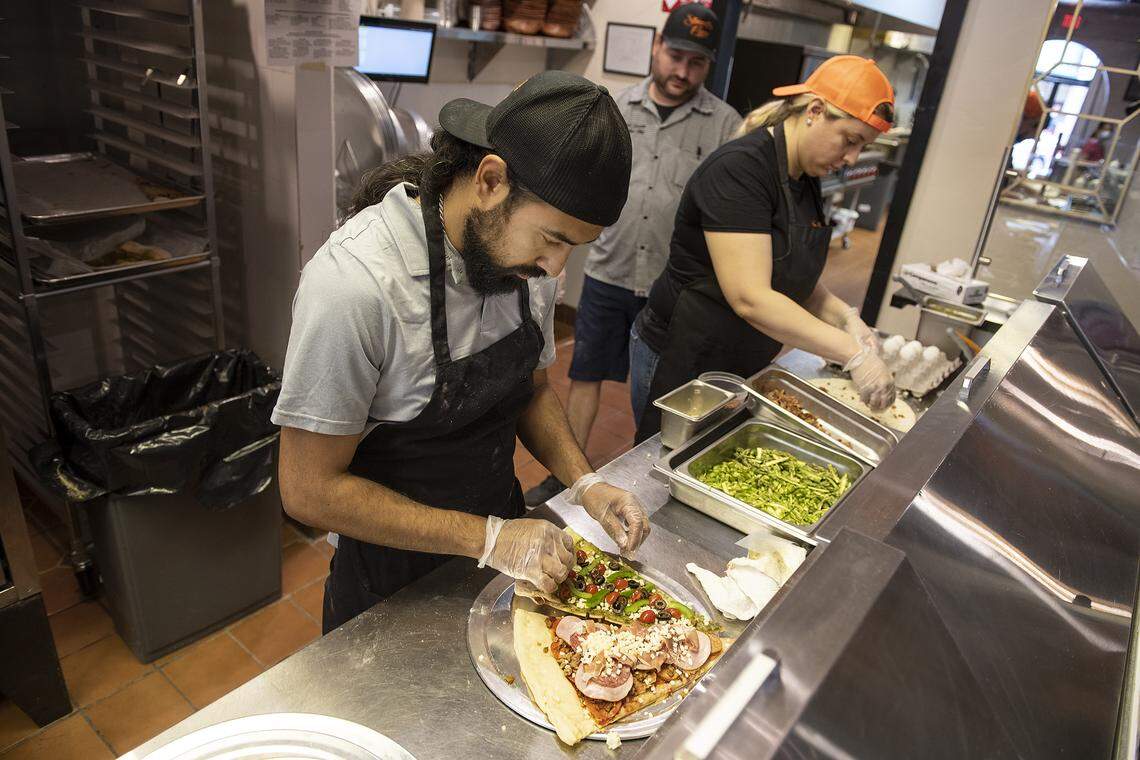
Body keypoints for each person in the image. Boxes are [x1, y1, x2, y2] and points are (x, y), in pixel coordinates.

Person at [272, 72, 650, 633]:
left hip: (502, 557)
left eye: (575, 247)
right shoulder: (356, 286)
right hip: (389, 583)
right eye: (552, 239)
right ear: (491, 181)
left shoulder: (529, 266)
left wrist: (583, 484)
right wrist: (488, 538)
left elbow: (532, 389)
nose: (555, 269)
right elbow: (308, 489)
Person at [524, 3, 742, 505]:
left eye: (697, 63)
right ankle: (568, 480)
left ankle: (655, 487)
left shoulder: (725, 125)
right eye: (676, 56)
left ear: (709, 67)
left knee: (661, 394)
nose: (682, 72)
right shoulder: (614, 109)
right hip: (609, 272)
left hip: (673, 288)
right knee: (585, 375)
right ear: (656, 47)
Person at [629, 56, 898, 442]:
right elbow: (750, 297)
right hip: (684, 352)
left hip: (738, 353)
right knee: (664, 457)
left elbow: (792, 275)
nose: (851, 159)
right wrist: (850, 353)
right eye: (850, 141)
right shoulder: (740, 171)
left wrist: (845, 317)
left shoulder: (803, 177)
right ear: (816, 111)